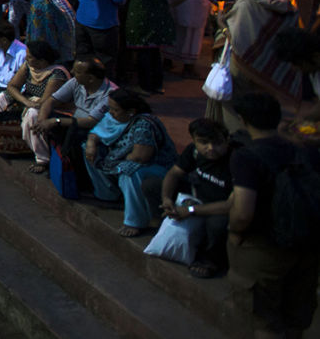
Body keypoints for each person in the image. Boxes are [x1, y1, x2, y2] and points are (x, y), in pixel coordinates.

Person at [227, 90, 320, 339]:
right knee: (294, 319)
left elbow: (243, 212)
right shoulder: (306, 149)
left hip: (264, 248)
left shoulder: (246, 156)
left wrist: (235, 231)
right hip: (306, 245)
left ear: (244, 121)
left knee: (264, 323)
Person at [219, 0, 303, 134]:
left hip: (243, 65)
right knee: (265, 104)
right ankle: (264, 135)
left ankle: (242, 136)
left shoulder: (245, 5)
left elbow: (235, 39)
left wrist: (222, 25)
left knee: (237, 106)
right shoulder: (288, 8)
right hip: (272, 67)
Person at [84, 89, 177, 236]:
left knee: (129, 171)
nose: (111, 113)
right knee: (90, 150)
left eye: (116, 110)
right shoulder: (114, 117)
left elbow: (140, 157)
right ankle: (108, 195)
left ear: (131, 111)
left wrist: (118, 158)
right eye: (111, 108)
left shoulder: (143, 124)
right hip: (125, 158)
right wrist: (91, 144)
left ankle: (135, 221)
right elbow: (96, 132)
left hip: (158, 167)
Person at [158, 117, 237, 279]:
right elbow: (174, 174)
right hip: (196, 198)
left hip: (218, 208)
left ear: (227, 140)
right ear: (194, 141)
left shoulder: (236, 160)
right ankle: (162, 227)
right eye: (203, 143)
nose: (211, 148)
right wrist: (166, 199)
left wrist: (190, 210)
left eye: (217, 143)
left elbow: (231, 205)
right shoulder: (193, 151)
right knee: (152, 186)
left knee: (217, 223)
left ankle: (211, 260)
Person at [39, 58, 118, 188]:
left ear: (91, 78)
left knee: (73, 131)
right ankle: (58, 164)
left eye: (77, 71)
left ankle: (77, 177)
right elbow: (51, 101)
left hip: (96, 130)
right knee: (47, 121)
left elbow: (90, 121)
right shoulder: (76, 82)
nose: (71, 72)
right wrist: (42, 120)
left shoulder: (110, 94)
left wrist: (55, 121)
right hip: (75, 123)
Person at [11, 40, 71, 173]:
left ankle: (42, 159)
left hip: (54, 110)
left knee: (32, 114)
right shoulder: (28, 66)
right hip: (30, 101)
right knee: (3, 98)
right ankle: (12, 141)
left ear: (42, 61)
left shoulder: (57, 73)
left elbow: (46, 102)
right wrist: (25, 101)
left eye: (30, 56)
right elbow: (12, 86)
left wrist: (30, 104)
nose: (26, 58)